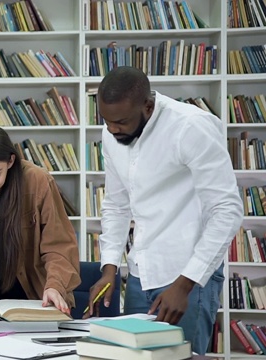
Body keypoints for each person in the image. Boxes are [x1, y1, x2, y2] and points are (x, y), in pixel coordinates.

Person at [86, 66, 243, 354]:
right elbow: (116, 205)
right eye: (106, 121)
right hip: (139, 275)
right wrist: (110, 268)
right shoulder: (112, 132)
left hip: (187, 276)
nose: (111, 129)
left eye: (120, 121)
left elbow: (227, 210)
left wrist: (185, 286)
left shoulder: (191, 127)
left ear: (147, 106)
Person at [0, 125, 80, 313]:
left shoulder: (38, 182)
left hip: (38, 300)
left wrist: (54, 286)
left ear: (10, 161)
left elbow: (59, 247)